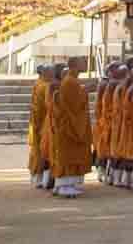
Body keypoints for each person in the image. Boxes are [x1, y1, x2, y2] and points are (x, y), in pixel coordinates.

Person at [49, 63, 94, 198]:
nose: (85, 64)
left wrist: (84, 91)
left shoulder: (72, 81)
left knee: (71, 154)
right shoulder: (69, 82)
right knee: (67, 155)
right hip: (69, 127)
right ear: (74, 66)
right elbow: (73, 104)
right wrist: (86, 90)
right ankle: (64, 185)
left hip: (71, 125)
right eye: (81, 62)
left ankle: (65, 185)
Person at [27, 64, 55, 191]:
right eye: (52, 73)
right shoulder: (44, 86)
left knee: (37, 150)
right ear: (46, 74)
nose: (53, 75)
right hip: (43, 123)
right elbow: (49, 105)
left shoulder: (38, 83)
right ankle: (41, 179)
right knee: (43, 151)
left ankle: (36, 177)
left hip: (36, 122)